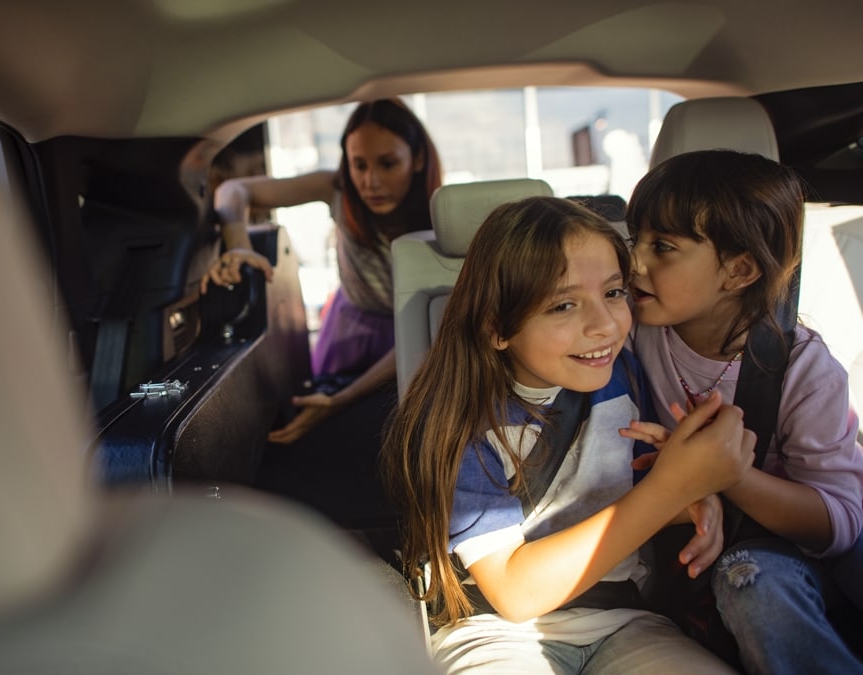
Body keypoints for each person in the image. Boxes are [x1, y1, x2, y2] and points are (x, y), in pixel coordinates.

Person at [381, 196, 755, 674]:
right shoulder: (459, 420)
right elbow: (514, 594)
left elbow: (638, 493)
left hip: (624, 618)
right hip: (494, 630)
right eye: (563, 305)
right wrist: (671, 490)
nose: (604, 325)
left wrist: (698, 501)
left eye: (615, 293)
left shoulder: (623, 374)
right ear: (497, 327)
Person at [625, 149, 863, 674]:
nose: (635, 263)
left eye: (663, 247)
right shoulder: (632, 332)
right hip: (685, 540)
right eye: (633, 240)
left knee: (749, 578)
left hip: (789, 554)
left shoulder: (806, 372)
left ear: (739, 270)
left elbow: (839, 524)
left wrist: (727, 475)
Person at [202, 98, 442, 444]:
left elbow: (425, 335)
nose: (370, 181)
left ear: (418, 160)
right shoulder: (337, 189)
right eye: (358, 165)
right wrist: (239, 245)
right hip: (350, 330)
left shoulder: (438, 219)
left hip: (416, 336)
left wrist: (340, 402)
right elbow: (233, 189)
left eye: (387, 164)